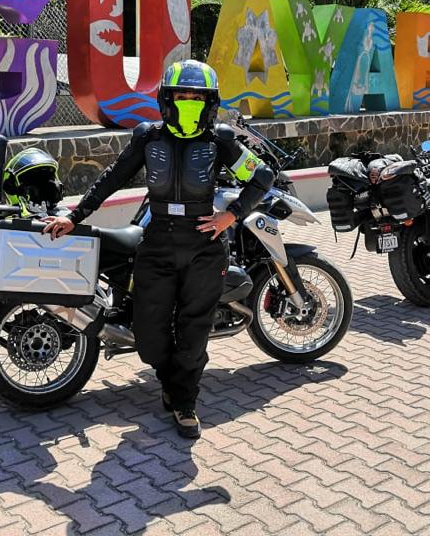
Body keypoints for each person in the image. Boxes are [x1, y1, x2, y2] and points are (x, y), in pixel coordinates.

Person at [42, 59, 274, 438]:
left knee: (193, 330)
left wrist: (231, 216)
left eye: (197, 97)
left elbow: (262, 176)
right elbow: (112, 178)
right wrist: (75, 215)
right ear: (167, 99)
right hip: (158, 242)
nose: (189, 103)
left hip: (203, 246)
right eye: (182, 96)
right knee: (149, 334)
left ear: (210, 102)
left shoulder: (220, 140)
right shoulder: (148, 138)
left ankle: (184, 402)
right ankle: (169, 379)